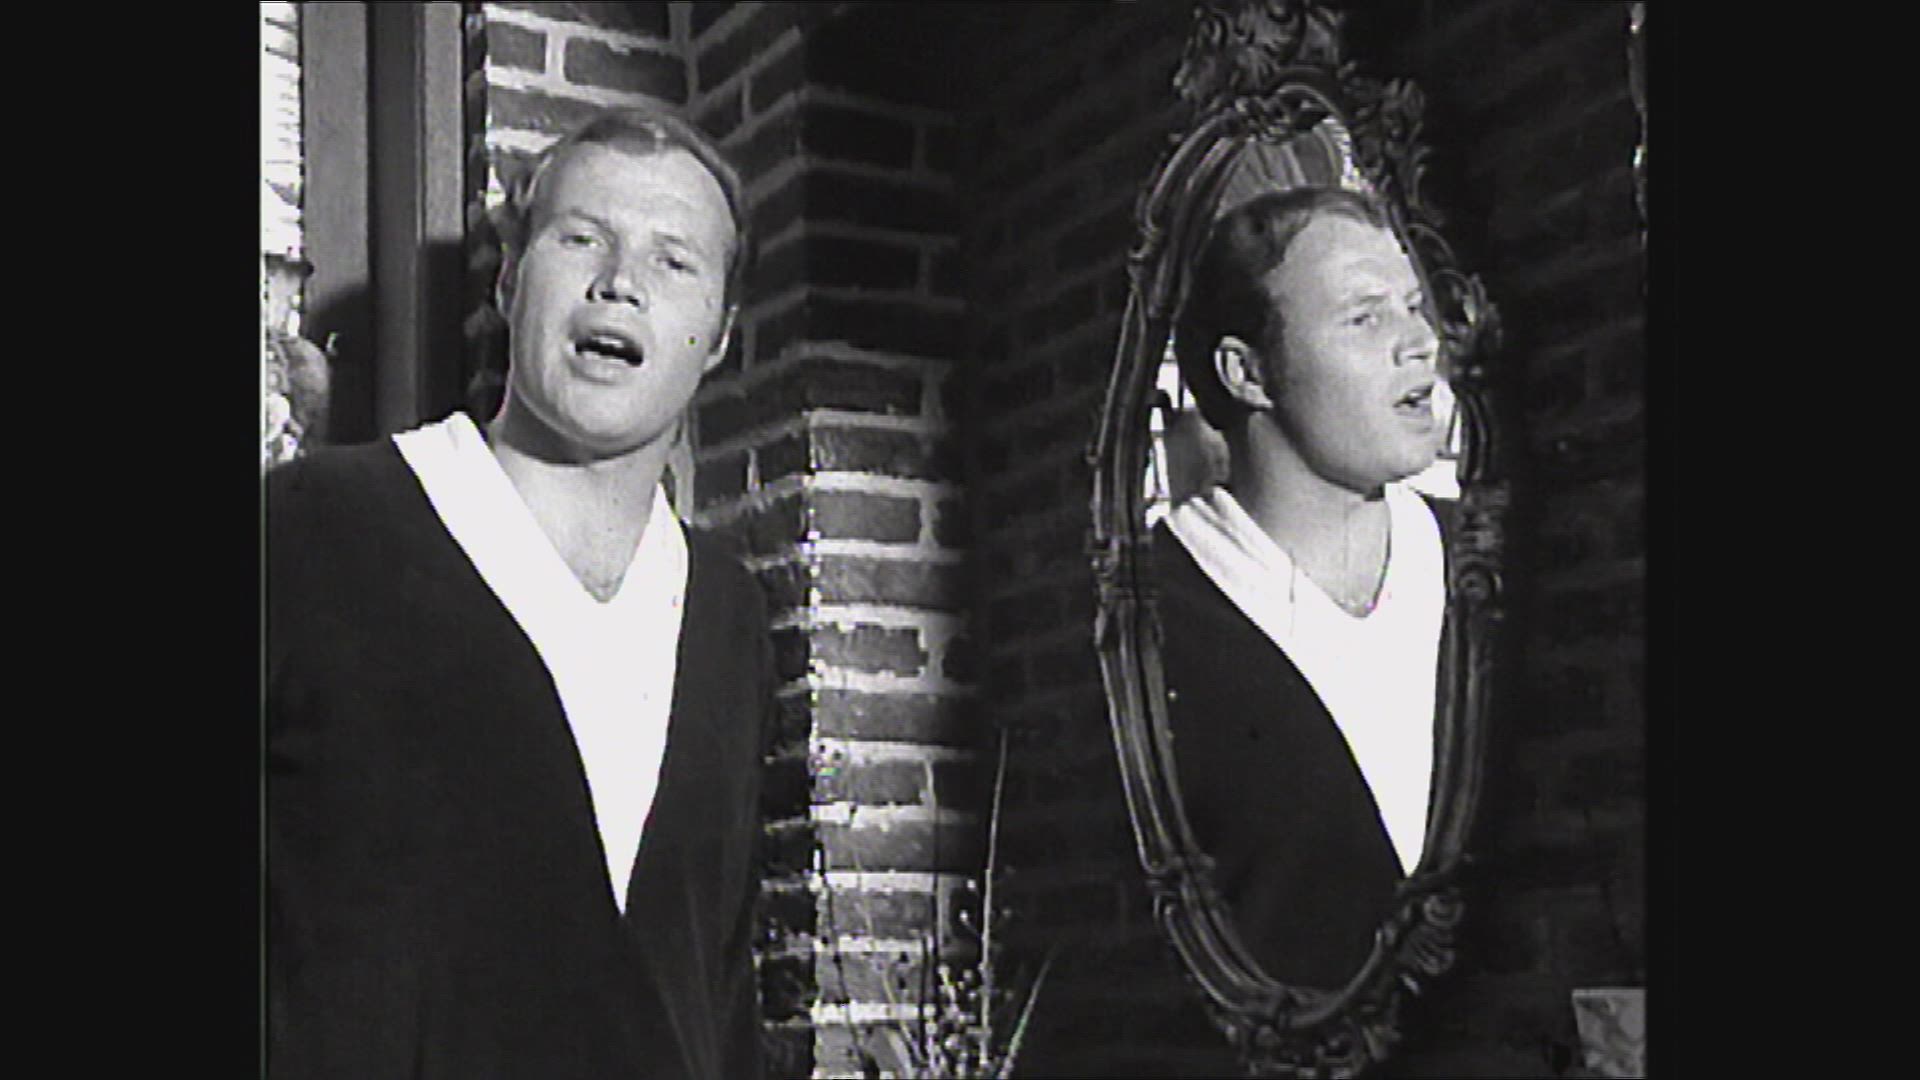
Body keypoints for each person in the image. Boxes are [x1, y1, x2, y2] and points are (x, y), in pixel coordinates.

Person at [266, 105, 770, 1078]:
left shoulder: (729, 620)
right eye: (581, 238)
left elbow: (724, 996)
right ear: (508, 281)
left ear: (716, 337)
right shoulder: (310, 527)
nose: (620, 282)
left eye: (674, 261)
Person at [1155, 186, 1452, 990]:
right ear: (1248, 372)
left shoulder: (1487, 557)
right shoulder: (1149, 617)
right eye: (1365, 318)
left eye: (1414, 307)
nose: (1420, 343)